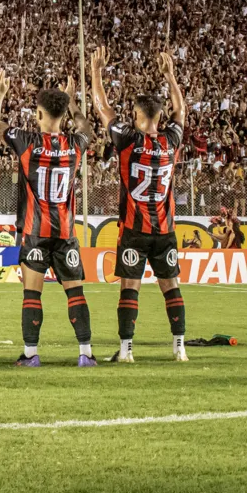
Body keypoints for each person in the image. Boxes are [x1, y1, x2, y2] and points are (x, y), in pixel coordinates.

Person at [0, 70, 96, 367]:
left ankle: (31, 354)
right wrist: (73, 104)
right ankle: (85, 353)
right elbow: (87, 128)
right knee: (75, 293)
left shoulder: (28, 141)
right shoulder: (76, 144)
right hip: (66, 233)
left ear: (38, 113)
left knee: (32, 292)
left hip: (35, 231)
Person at [91, 48, 188, 363]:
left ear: (140, 117)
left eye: (133, 114)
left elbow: (101, 107)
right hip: (165, 228)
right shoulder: (170, 141)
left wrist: (96, 70)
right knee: (170, 287)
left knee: (129, 288)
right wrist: (171, 75)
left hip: (134, 229)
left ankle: (126, 351)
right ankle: (180, 348)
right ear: (159, 118)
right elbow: (181, 111)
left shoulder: (127, 139)